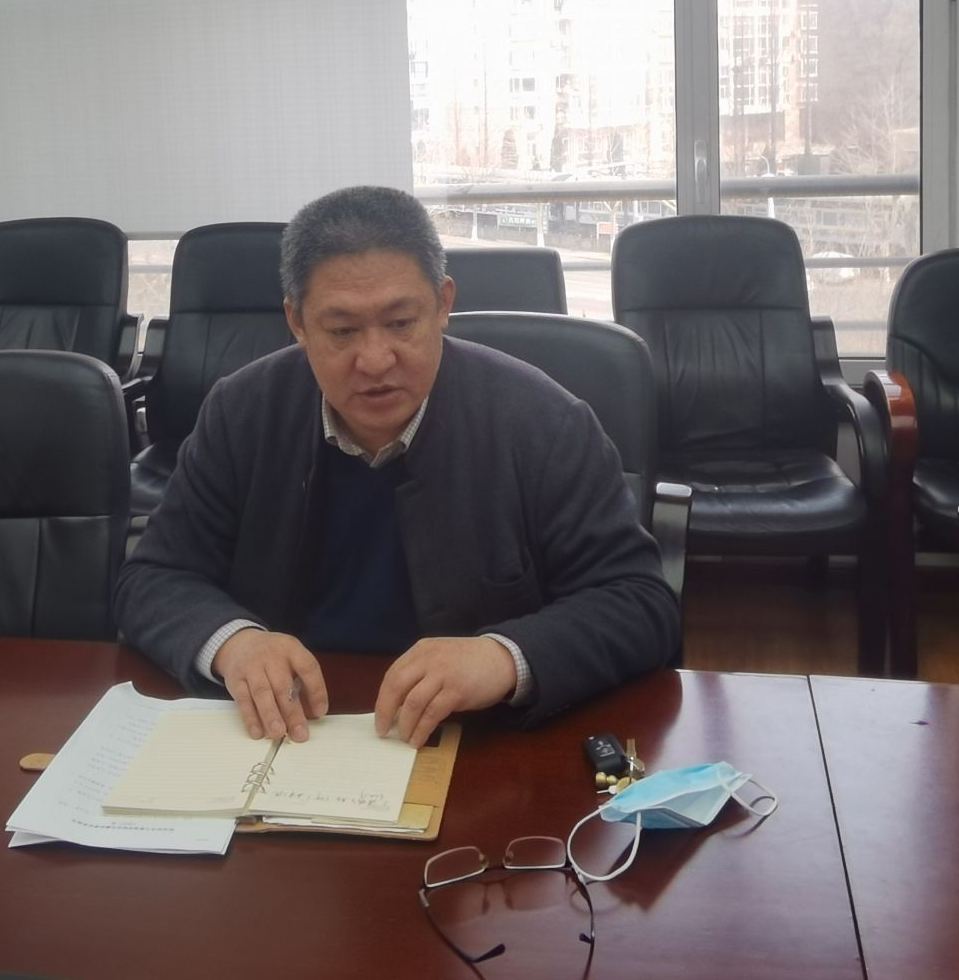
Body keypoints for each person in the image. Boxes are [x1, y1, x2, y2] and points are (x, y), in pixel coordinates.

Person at [114, 185, 679, 749]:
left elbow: (639, 602)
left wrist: (505, 657)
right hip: (291, 734)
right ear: (297, 322)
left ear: (443, 304)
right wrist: (234, 642)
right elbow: (155, 576)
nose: (375, 360)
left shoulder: (543, 422)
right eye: (342, 331)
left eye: (401, 322)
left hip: (475, 742)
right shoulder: (243, 411)